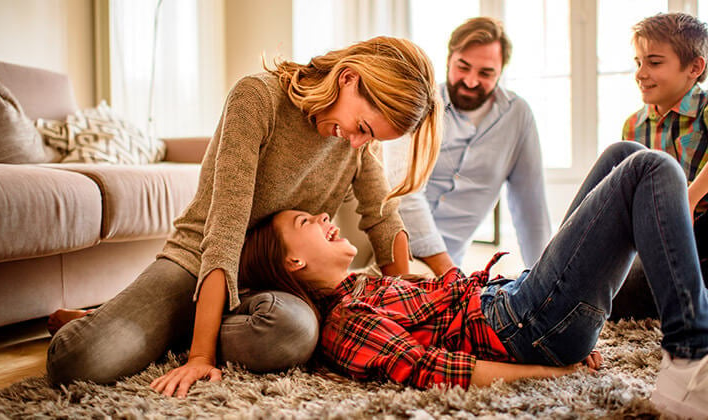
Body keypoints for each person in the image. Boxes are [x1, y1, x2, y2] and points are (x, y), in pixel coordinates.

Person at [45, 36, 443, 398]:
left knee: (295, 333)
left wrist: (400, 309)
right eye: (362, 128)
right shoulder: (258, 97)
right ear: (349, 79)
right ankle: (110, 323)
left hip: (279, 279)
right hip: (201, 261)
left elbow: (383, 216)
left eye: (370, 137)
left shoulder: (355, 142)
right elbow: (225, 229)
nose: (359, 142)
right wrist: (200, 356)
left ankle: (174, 326)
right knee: (80, 362)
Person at [241, 141, 708, 418]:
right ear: (293, 265)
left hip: (516, 300)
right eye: (306, 223)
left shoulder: (362, 284)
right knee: (651, 168)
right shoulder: (345, 321)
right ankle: (689, 357)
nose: (323, 215)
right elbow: (438, 372)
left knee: (622, 155)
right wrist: (555, 372)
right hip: (526, 325)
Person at [383, 16, 550, 276]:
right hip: (395, 252)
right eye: (463, 67)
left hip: (449, 268)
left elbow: (531, 210)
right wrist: (447, 271)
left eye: (485, 73)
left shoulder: (518, 116)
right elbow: (402, 190)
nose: (471, 81)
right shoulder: (418, 106)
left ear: (501, 72)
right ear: (449, 59)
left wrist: (543, 278)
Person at [612, 12, 708, 320]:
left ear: (694, 67)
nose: (641, 73)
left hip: (703, 228)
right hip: (660, 241)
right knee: (620, 299)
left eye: (654, 63)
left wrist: (688, 200)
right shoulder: (633, 126)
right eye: (638, 62)